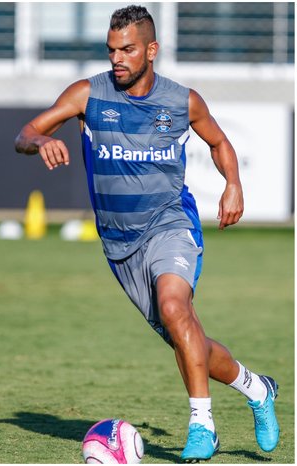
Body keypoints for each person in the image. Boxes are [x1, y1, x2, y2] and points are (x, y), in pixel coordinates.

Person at [15, 5, 279, 462]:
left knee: (177, 309)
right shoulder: (87, 94)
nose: (117, 58)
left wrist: (233, 184)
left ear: (151, 50)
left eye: (128, 50)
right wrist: (42, 141)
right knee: (185, 336)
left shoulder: (182, 101)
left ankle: (202, 426)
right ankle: (257, 388)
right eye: (112, 50)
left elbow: (219, 142)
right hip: (119, 244)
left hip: (170, 222)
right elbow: (26, 132)